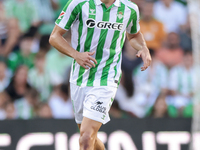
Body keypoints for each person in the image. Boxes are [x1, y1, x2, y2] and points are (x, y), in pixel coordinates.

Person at [49, 0, 151, 150]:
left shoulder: (130, 8)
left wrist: (144, 48)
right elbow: (54, 37)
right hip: (79, 78)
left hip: (107, 78)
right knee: (89, 136)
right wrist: (76, 54)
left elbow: (134, 35)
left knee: (85, 137)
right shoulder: (78, 4)